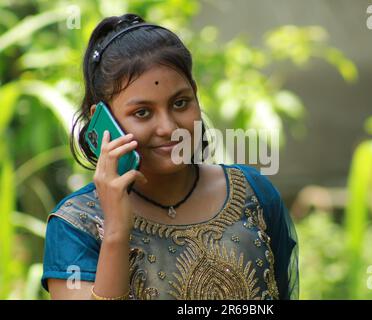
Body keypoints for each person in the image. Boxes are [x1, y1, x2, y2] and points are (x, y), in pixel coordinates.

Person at [41, 13, 299, 300]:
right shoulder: (76, 226)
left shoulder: (254, 195)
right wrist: (115, 231)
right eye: (142, 112)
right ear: (102, 120)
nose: (169, 128)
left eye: (180, 103)